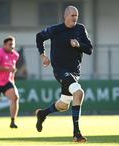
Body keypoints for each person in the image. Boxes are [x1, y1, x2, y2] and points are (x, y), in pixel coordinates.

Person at [35, 6, 93, 142]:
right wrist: (43, 55)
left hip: (74, 72)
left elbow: (89, 49)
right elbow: (39, 37)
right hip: (60, 70)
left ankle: (42, 114)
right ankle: (76, 133)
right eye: (72, 15)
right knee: (79, 93)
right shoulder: (56, 29)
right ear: (65, 16)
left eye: (76, 16)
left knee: (63, 105)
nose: (75, 18)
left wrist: (78, 45)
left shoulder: (80, 29)